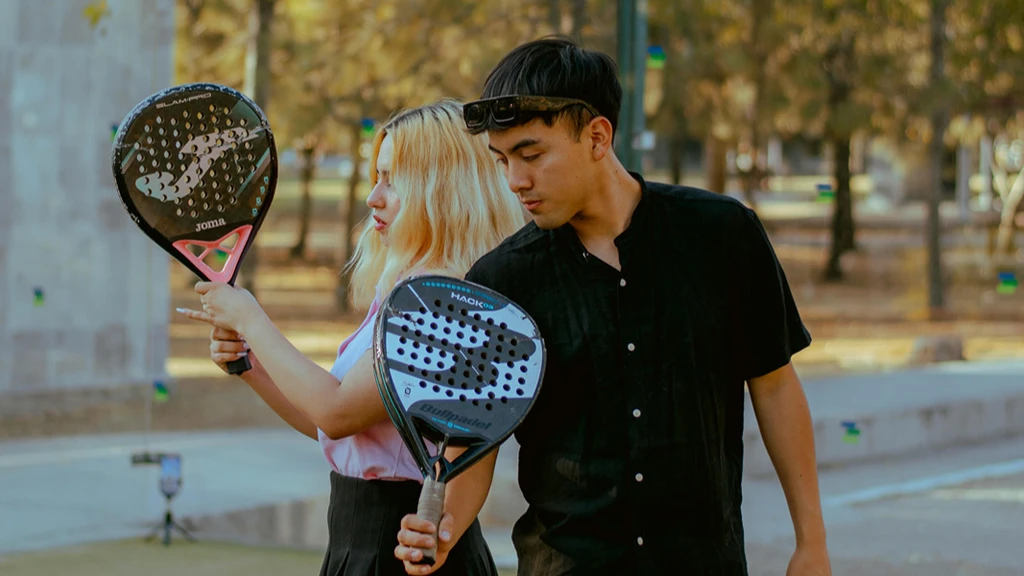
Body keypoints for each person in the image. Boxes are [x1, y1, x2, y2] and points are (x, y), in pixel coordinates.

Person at [393, 38, 833, 575]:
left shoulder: (722, 235)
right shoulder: (500, 281)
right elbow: (473, 444)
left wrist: (811, 543)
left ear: (597, 136)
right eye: (503, 159)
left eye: (532, 155)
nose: (515, 181)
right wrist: (444, 531)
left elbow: (776, 386)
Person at [177, 99, 526, 576]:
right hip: (356, 540)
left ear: (440, 190)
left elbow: (337, 412)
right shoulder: (408, 290)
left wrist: (252, 319)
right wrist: (250, 364)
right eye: (375, 178)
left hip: (400, 547)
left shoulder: (440, 302)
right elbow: (343, 425)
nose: (373, 197)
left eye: (392, 180)